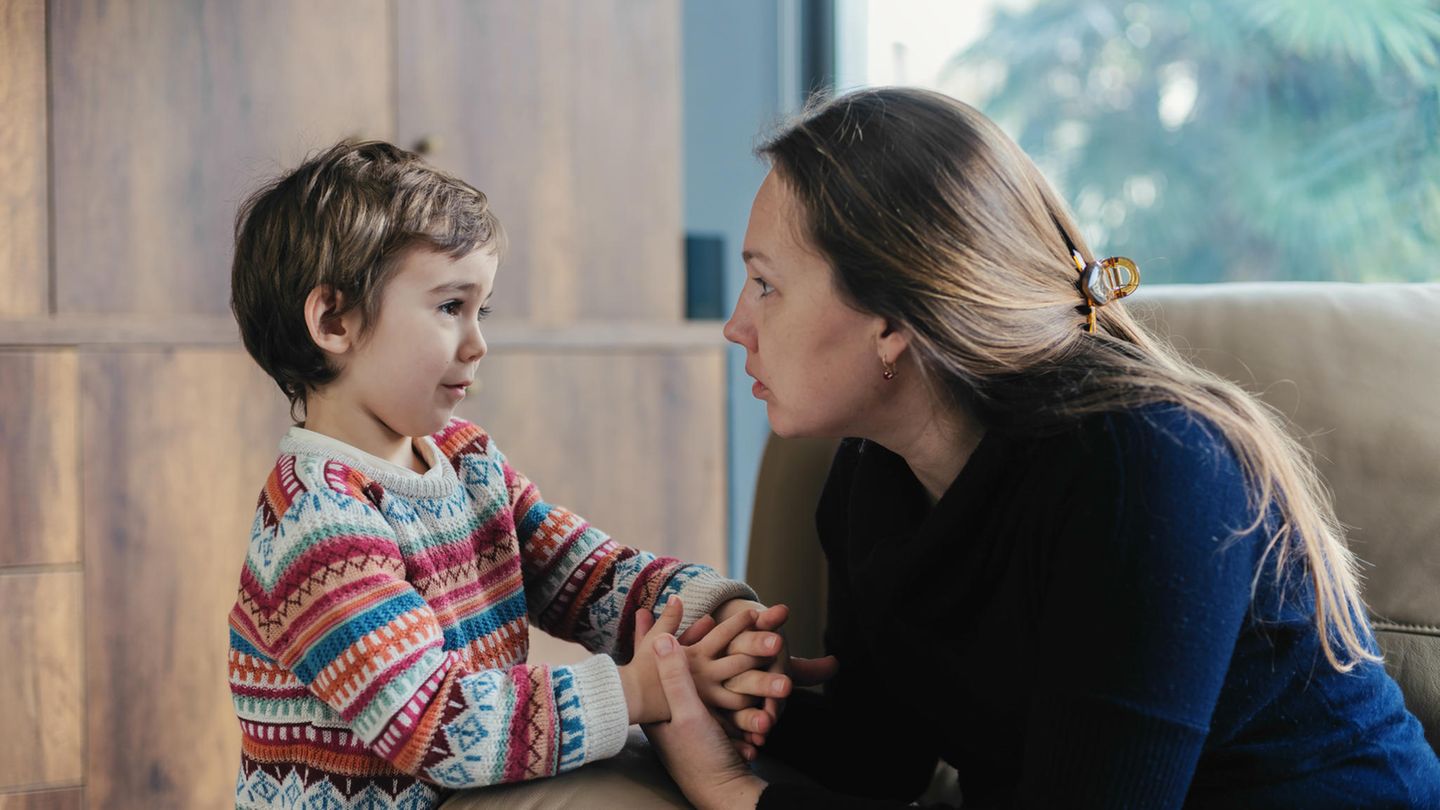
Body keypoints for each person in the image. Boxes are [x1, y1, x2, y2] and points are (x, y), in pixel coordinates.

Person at [642, 87, 1440, 808]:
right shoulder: (868, 476)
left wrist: (734, 795)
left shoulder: (1148, 467)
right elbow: (880, 760)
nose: (737, 326)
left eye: (767, 285)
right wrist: (726, 695)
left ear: (892, 321)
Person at [225, 140, 793, 810]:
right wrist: (643, 689)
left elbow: (589, 576)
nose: (478, 342)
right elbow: (439, 724)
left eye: (481, 310)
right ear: (333, 320)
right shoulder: (316, 523)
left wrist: (718, 618)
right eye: (449, 307)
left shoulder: (466, 461)